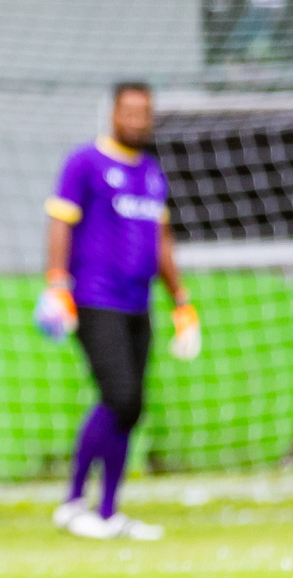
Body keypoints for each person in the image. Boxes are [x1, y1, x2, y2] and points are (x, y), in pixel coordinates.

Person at [40, 82, 199, 541]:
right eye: (128, 111)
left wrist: (182, 302)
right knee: (120, 397)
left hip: (138, 303)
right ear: (112, 114)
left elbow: (161, 241)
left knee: (130, 408)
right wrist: (56, 285)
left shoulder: (151, 173)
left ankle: (108, 512)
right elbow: (60, 222)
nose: (136, 119)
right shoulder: (84, 163)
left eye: (144, 112)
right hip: (93, 299)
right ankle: (73, 503)